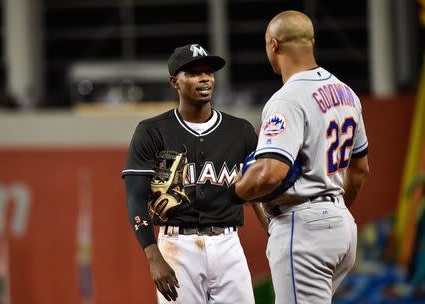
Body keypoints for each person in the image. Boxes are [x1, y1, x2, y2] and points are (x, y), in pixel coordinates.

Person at [230, 11, 370, 304]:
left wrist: (236, 190)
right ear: (311, 42)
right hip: (341, 225)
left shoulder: (287, 99)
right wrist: (331, 212)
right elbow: (359, 170)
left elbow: (270, 173)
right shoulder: (346, 93)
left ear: (273, 45)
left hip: (304, 229)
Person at [122, 43, 266, 303]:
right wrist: (153, 256)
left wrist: (273, 231)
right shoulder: (152, 131)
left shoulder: (241, 131)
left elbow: (259, 191)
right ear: (174, 82)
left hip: (228, 243)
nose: (204, 78)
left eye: (208, 72)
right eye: (193, 72)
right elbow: (135, 197)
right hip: (178, 245)